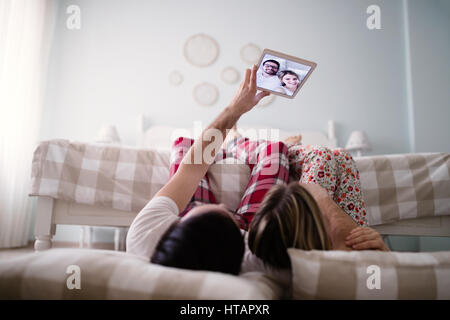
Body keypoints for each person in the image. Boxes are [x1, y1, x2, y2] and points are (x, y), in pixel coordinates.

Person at [126, 65, 272, 275]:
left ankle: (234, 141)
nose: (223, 205)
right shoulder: (253, 257)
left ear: (187, 223)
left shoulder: (147, 233)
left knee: (184, 146)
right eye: (230, 218)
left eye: (220, 211)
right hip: (251, 217)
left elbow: (192, 166)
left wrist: (235, 109)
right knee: (275, 151)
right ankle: (235, 141)